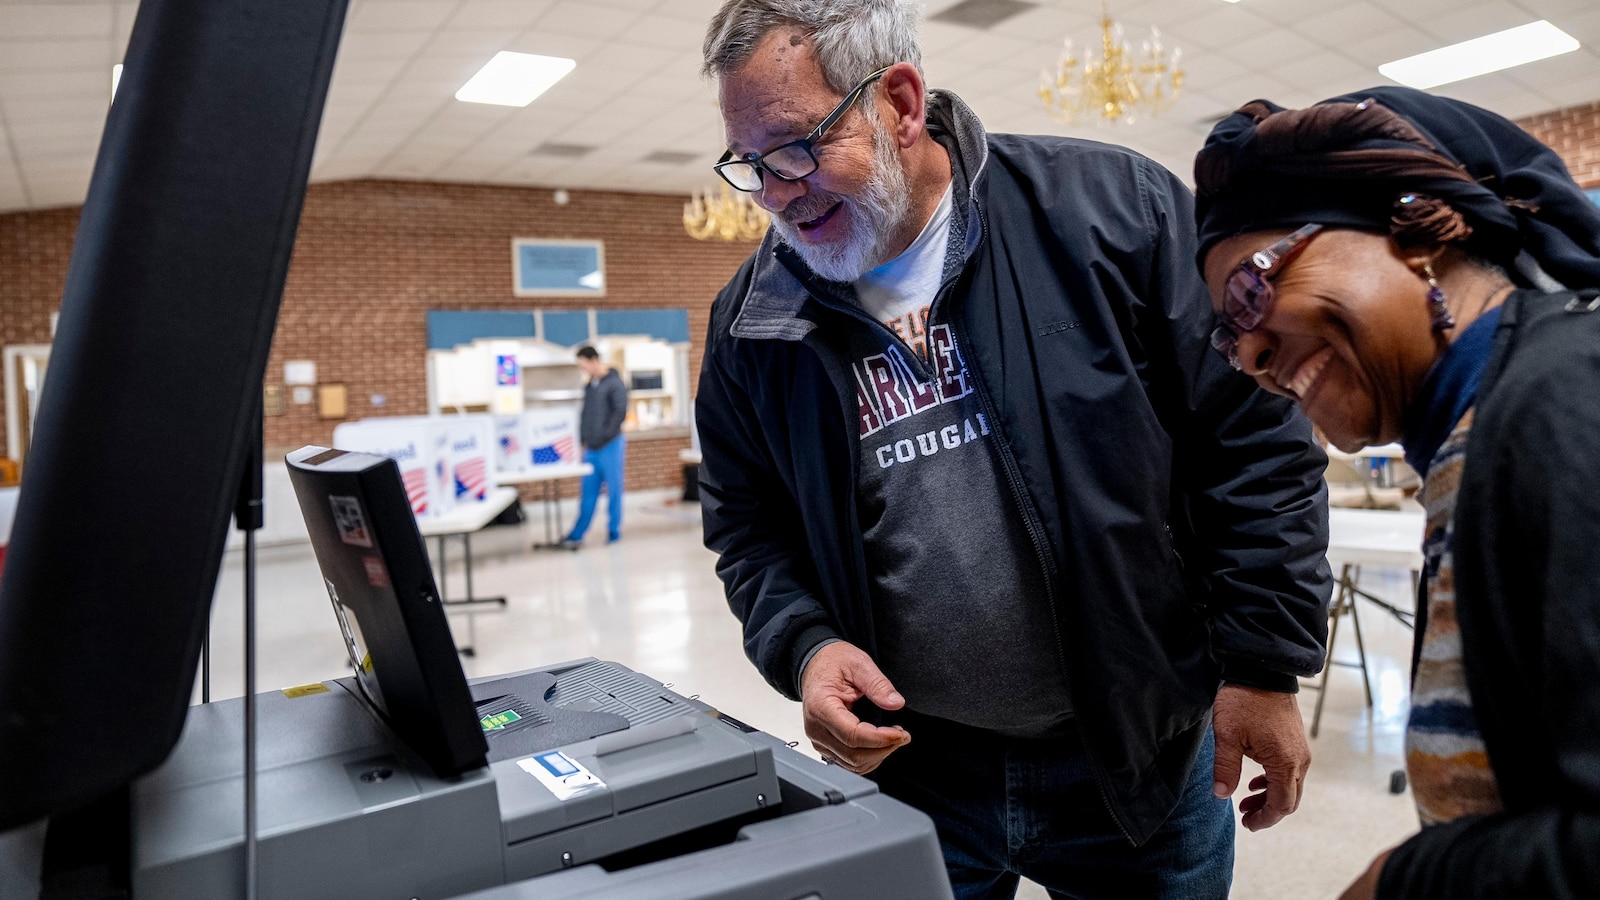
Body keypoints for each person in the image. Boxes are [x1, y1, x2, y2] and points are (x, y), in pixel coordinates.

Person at [694, 2, 1333, 896]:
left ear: (901, 103)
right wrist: (806, 646)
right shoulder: (754, 320)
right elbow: (749, 528)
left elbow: (1252, 441)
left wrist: (1264, 664)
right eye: (750, 164)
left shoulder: (1116, 214)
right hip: (912, 767)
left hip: (1136, 755)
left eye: (798, 148)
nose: (775, 194)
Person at [1192, 86, 1600, 900]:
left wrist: (1398, 882)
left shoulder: (1562, 401)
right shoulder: (1479, 436)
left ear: (1416, 227)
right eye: (1230, 339)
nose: (1254, 357)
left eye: (1253, 288)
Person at [563, 345, 627, 547]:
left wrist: (604, 436)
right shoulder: (590, 386)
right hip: (591, 449)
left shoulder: (615, 384)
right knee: (588, 493)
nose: (583, 370)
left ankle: (613, 531)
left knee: (614, 491)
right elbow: (585, 415)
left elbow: (619, 413)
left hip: (610, 446)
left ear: (594, 360)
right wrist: (583, 441)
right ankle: (577, 534)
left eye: (584, 365)